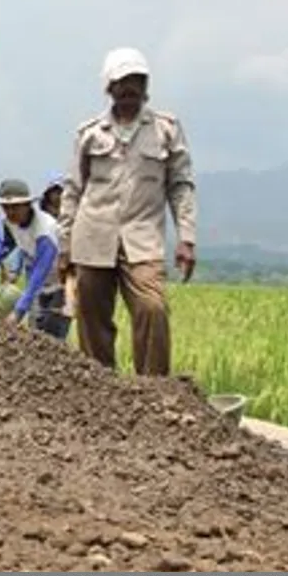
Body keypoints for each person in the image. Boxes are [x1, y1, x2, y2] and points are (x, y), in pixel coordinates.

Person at [58, 47, 198, 376]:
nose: (130, 88)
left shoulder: (165, 129)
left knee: (152, 308)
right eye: (122, 82)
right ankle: (100, 387)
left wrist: (186, 238)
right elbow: (73, 189)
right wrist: (64, 245)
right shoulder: (90, 133)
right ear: (110, 87)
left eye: (137, 80)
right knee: (91, 316)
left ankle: (152, 390)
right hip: (93, 236)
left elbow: (181, 185)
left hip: (142, 238)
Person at [0, 178, 69, 339]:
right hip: (37, 284)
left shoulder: (45, 230)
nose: (10, 212)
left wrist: (19, 310)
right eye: (6, 208)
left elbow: (40, 272)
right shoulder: (10, 222)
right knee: (35, 330)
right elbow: (4, 244)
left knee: (53, 334)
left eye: (15, 207)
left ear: (27, 205)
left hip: (60, 283)